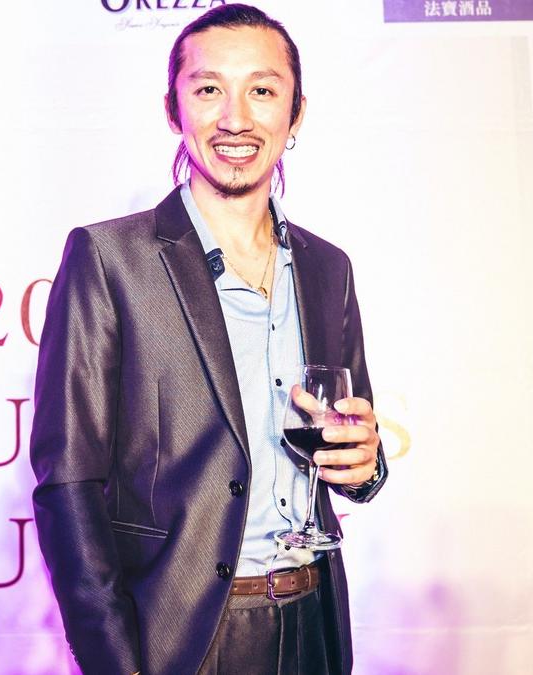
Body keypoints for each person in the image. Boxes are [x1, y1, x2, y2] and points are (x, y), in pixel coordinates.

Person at [29, 5, 388, 674]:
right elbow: (68, 483)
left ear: (296, 113)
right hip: (184, 637)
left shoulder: (327, 267)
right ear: (174, 109)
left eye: (262, 89)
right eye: (208, 89)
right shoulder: (110, 259)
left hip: (314, 622)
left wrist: (366, 465)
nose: (235, 118)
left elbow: (354, 445)